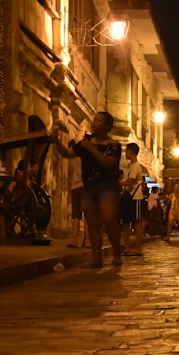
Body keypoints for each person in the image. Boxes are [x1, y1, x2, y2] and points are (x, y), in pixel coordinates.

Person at [48, 111, 122, 268]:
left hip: (107, 185)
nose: (94, 122)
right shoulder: (84, 143)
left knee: (109, 219)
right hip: (88, 186)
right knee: (92, 224)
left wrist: (91, 148)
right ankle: (97, 259)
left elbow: (109, 163)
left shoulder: (113, 145)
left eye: (99, 121)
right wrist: (57, 141)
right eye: (94, 120)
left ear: (107, 126)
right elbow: (67, 154)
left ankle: (116, 252)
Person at [120, 142, 148, 257]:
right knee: (126, 223)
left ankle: (138, 248)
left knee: (136, 222)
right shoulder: (131, 166)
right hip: (128, 197)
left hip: (135, 197)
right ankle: (127, 247)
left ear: (131, 152)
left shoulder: (136, 166)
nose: (125, 153)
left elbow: (130, 182)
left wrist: (118, 182)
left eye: (126, 151)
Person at [66, 152, 85, 248]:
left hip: (75, 187)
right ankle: (88, 241)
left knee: (76, 216)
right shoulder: (87, 156)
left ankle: (74, 241)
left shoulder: (75, 156)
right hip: (84, 187)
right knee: (87, 215)